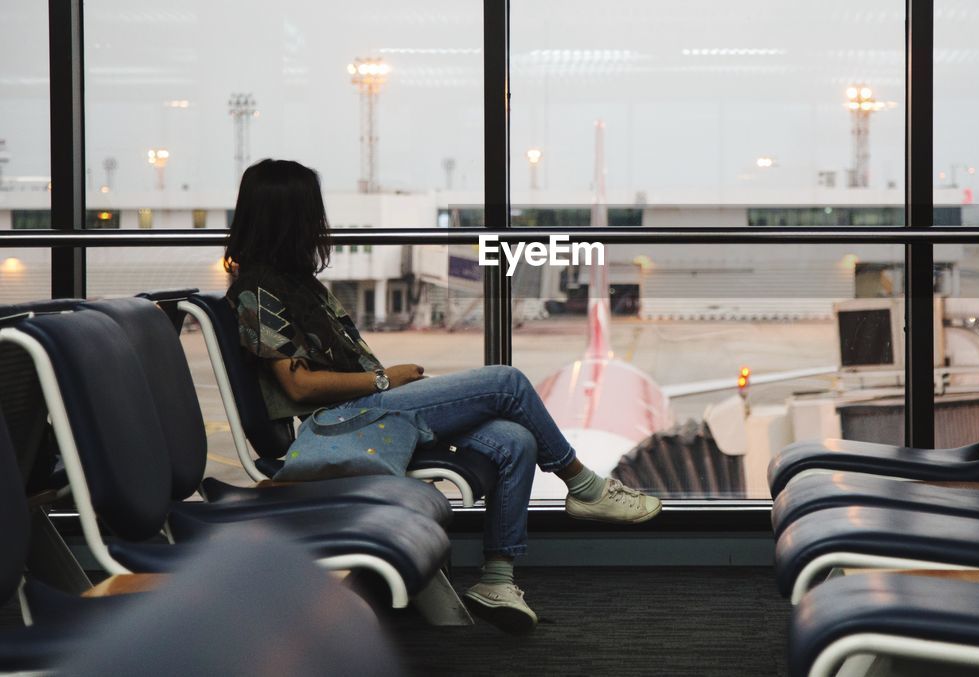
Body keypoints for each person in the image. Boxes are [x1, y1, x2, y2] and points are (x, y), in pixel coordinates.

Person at [223, 159, 661, 633]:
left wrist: (387, 385)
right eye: (313, 211)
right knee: (506, 382)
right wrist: (385, 380)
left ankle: (497, 579)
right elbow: (298, 385)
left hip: (364, 411)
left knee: (517, 439)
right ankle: (584, 486)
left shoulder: (297, 284)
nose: (321, 223)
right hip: (340, 422)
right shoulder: (258, 292)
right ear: (289, 217)